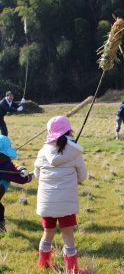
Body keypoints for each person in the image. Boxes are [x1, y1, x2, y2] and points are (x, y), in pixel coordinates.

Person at [34, 116, 87, 273]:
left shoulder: (42, 151)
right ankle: (72, 269)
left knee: (48, 233)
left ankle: (43, 263)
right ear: (69, 131)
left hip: (47, 202)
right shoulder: (75, 152)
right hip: (66, 203)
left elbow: (37, 174)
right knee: (68, 236)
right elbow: (82, 176)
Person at [0, 135, 33, 232]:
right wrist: (25, 173)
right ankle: (1, 227)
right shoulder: (7, 166)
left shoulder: (8, 165)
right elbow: (21, 179)